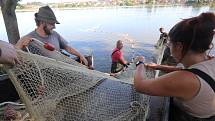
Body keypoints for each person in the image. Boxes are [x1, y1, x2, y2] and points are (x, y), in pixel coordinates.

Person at [134, 12, 215, 121]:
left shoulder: (187, 79)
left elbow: (140, 86)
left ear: (179, 46)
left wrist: (140, 63)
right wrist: (158, 66)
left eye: (170, 44)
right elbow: (188, 71)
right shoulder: (210, 61)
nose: (169, 48)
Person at [15, 6, 88, 66]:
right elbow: (14, 53)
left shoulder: (55, 34)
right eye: (52, 24)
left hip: (62, 68)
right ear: (42, 22)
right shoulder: (28, 38)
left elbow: (67, 48)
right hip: (45, 75)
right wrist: (21, 46)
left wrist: (80, 55)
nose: (54, 27)